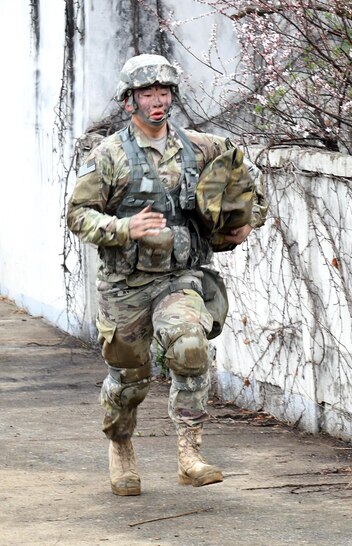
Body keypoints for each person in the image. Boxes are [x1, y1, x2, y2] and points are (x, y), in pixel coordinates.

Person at [67, 54, 265, 496]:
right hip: (126, 286)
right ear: (129, 101)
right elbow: (77, 215)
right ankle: (120, 446)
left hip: (180, 277)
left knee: (190, 347)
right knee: (128, 380)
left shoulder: (201, 147)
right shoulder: (109, 156)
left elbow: (246, 188)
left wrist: (249, 221)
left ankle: (189, 454)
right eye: (146, 93)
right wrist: (123, 228)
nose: (156, 101)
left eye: (163, 92)